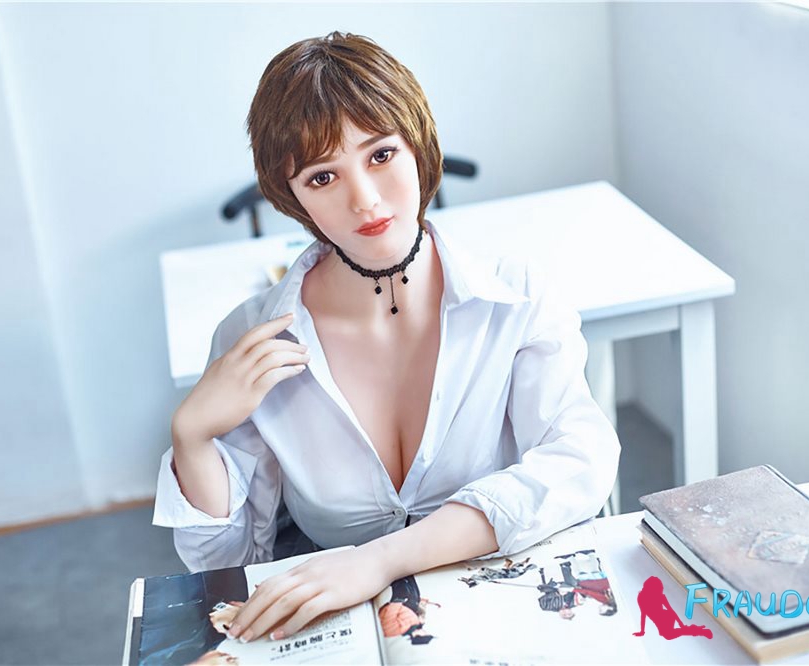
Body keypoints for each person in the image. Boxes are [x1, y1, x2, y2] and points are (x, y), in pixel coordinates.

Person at [152, 31, 620, 644]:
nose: (365, 200)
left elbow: (580, 461)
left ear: (418, 145)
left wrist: (377, 561)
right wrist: (190, 435)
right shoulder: (252, 336)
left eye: (381, 155)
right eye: (323, 177)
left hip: (505, 604)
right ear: (292, 197)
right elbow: (228, 567)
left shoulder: (516, 298)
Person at [632, 576, 712, 640]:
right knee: (670, 634)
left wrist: (681, 624)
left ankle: (700, 631)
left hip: (666, 616)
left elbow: (670, 610)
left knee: (669, 635)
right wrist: (642, 631)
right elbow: (643, 614)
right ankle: (697, 630)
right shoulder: (642, 597)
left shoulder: (660, 596)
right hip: (662, 617)